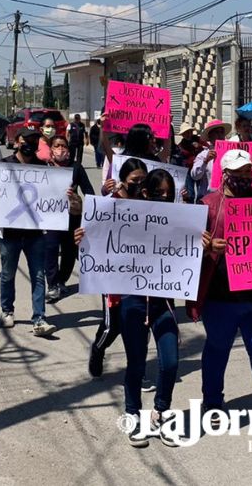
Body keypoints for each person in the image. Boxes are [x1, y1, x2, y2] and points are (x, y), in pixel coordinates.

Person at [75, 168, 185, 447]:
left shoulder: (178, 222)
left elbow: (193, 253)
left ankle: (160, 413)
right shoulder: (123, 217)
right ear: (145, 193)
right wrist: (83, 239)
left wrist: (206, 245)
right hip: (132, 304)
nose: (165, 197)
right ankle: (133, 416)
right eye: (159, 193)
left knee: (170, 362)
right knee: (136, 364)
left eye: (169, 194)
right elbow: (99, 245)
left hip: (163, 305)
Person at [188, 149, 252, 423]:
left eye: (249, 171)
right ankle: (212, 401)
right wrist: (209, 247)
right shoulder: (208, 205)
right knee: (217, 349)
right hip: (221, 299)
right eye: (240, 172)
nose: (246, 176)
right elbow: (186, 249)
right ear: (225, 175)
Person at [0, 128, 65, 336]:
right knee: (7, 274)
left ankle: (39, 318)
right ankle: (7, 311)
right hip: (10, 233)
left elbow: (52, 197)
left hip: (34, 233)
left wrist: (63, 194)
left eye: (34, 140)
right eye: (26, 140)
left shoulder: (43, 169)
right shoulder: (4, 166)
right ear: (18, 141)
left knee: (38, 276)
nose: (30, 144)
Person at [89, 158, 149, 377]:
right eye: (135, 179)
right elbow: (94, 232)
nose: (140, 183)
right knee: (112, 325)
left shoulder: (149, 202)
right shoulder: (108, 203)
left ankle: (137, 368)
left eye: (143, 179)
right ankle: (98, 349)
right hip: (113, 273)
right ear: (124, 180)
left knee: (142, 322)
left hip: (142, 273)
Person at [45, 134, 95, 302]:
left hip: (72, 217)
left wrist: (95, 211)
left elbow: (89, 192)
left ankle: (62, 280)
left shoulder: (76, 168)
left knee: (69, 251)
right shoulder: (44, 167)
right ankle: (52, 285)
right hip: (51, 216)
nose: (61, 149)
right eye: (57, 146)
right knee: (50, 249)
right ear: (51, 149)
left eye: (64, 146)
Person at [189, 120, 232, 201]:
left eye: (222, 132)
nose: (220, 135)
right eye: (216, 132)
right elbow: (195, 176)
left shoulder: (231, 153)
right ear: (210, 136)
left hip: (227, 198)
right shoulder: (203, 155)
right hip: (208, 199)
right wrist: (205, 161)